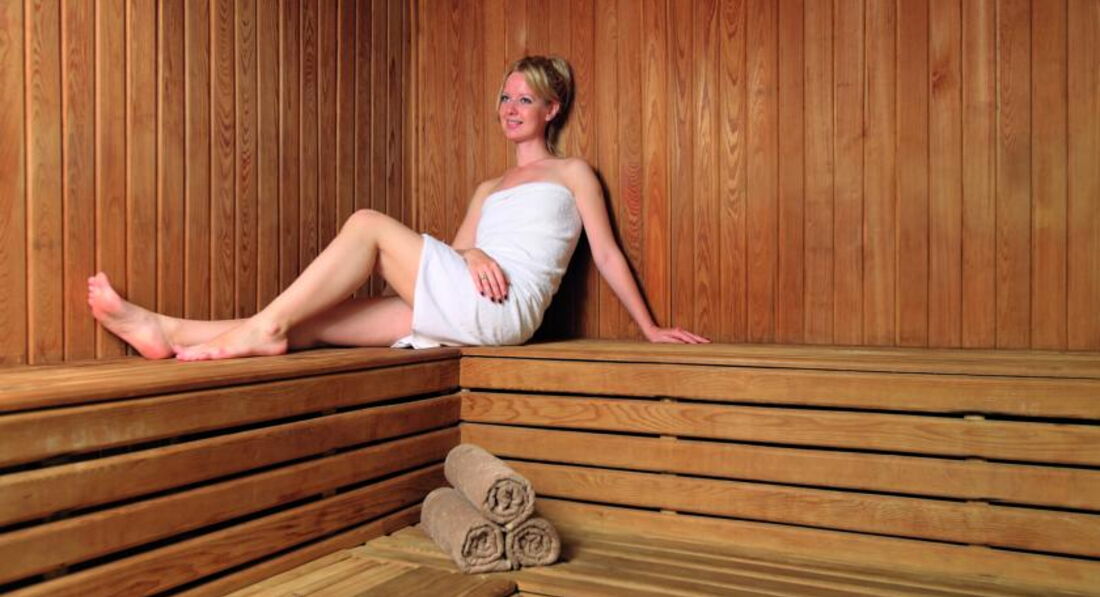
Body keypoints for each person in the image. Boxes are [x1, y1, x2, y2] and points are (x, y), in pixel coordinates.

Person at [88, 55, 709, 361]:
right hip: (467, 295)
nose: (511, 108)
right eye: (505, 97)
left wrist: (650, 328)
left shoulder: (573, 174)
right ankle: (166, 330)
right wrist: (473, 253)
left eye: (526, 99)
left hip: (505, 310)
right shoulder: (488, 189)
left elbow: (606, 253)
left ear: (553, 109)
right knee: (319, 322)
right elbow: (459, 252)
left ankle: (262, 330)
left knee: (367, 225)